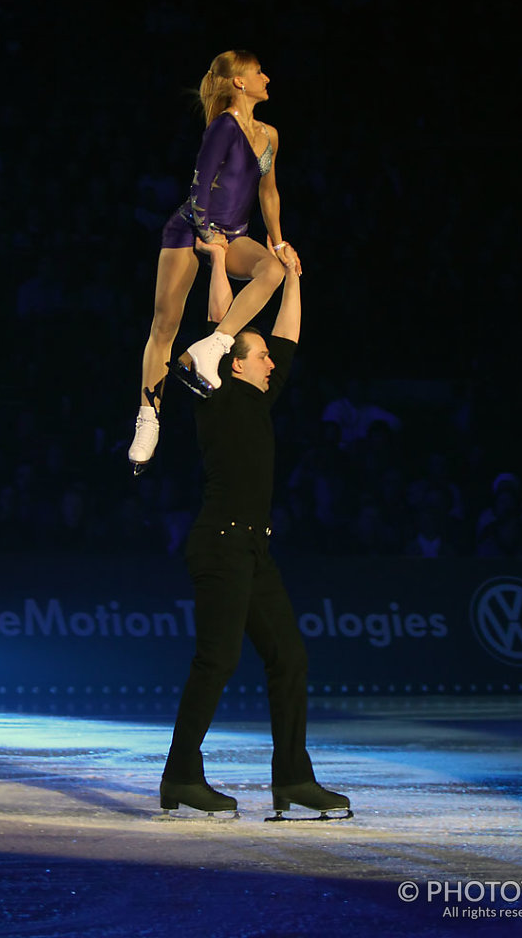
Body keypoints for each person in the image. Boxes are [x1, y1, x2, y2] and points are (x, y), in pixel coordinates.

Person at [160, 258, 351, 821]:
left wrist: (294, 275)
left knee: (289, 657)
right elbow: (223, 322)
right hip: (219, 544)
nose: (272, 362)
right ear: (235, 365)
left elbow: (286, 337)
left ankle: (293, 778)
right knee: (217, 661)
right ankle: (180, 775)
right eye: (260, 356)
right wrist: (218, 261)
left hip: (253, 550)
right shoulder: (214, 391)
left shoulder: (257, 394)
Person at [128, 49, 298, 474]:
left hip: (235, 233)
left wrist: (278, 244)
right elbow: (200, 183)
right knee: (165, 324)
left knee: (272, 272)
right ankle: (149, 417)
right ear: (239, 82)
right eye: (259, 72)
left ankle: (215, 345)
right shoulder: (224, 126)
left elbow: (269, 193)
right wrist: (206, 235)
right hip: (192, 228)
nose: (267, 77)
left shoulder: (270, 135)